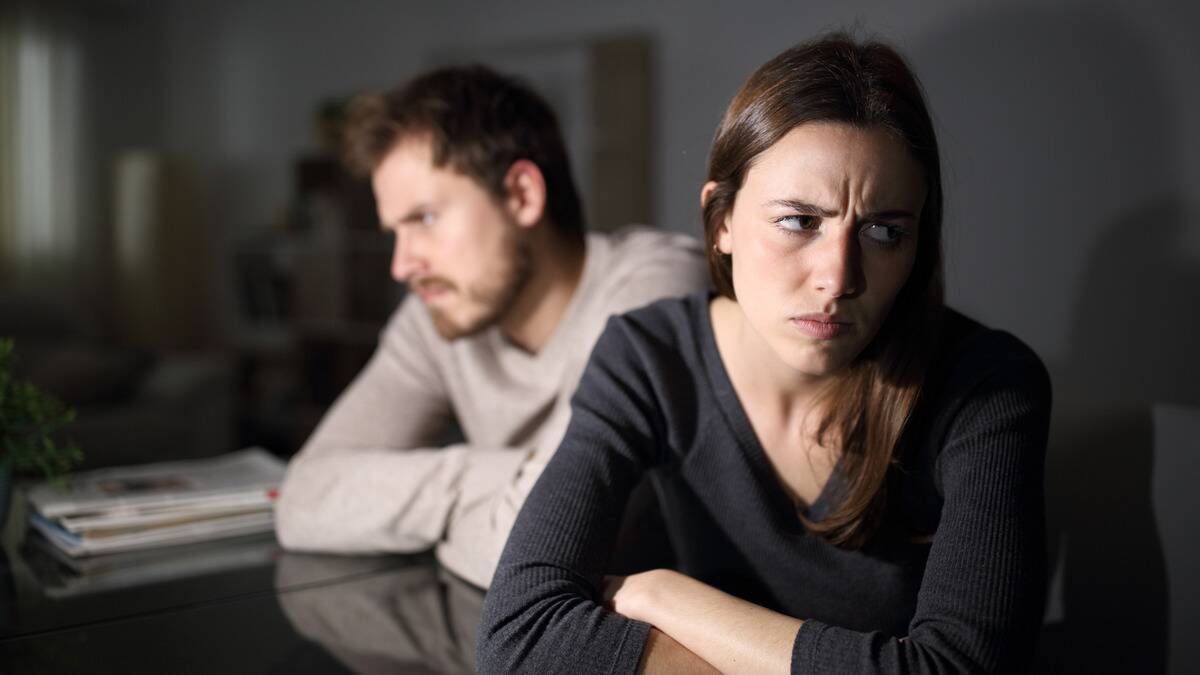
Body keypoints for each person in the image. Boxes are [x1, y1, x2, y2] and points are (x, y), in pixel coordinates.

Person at [477, 33, 1052, 674]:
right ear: (721, 221)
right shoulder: (648, 358)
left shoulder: (989, 387)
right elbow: (517, 640)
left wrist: (667, 595)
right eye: (798, 221)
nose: (838, 278)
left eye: (885, 231)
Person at [274, 65, 709, 589]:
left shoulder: (654, 287)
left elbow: (539, 551)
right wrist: (490, 480)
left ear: (523, 194)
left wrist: (423, 512)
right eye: (394, 232)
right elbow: (304, 500)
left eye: (425, 219)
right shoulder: (436, 314)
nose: (402, 265)